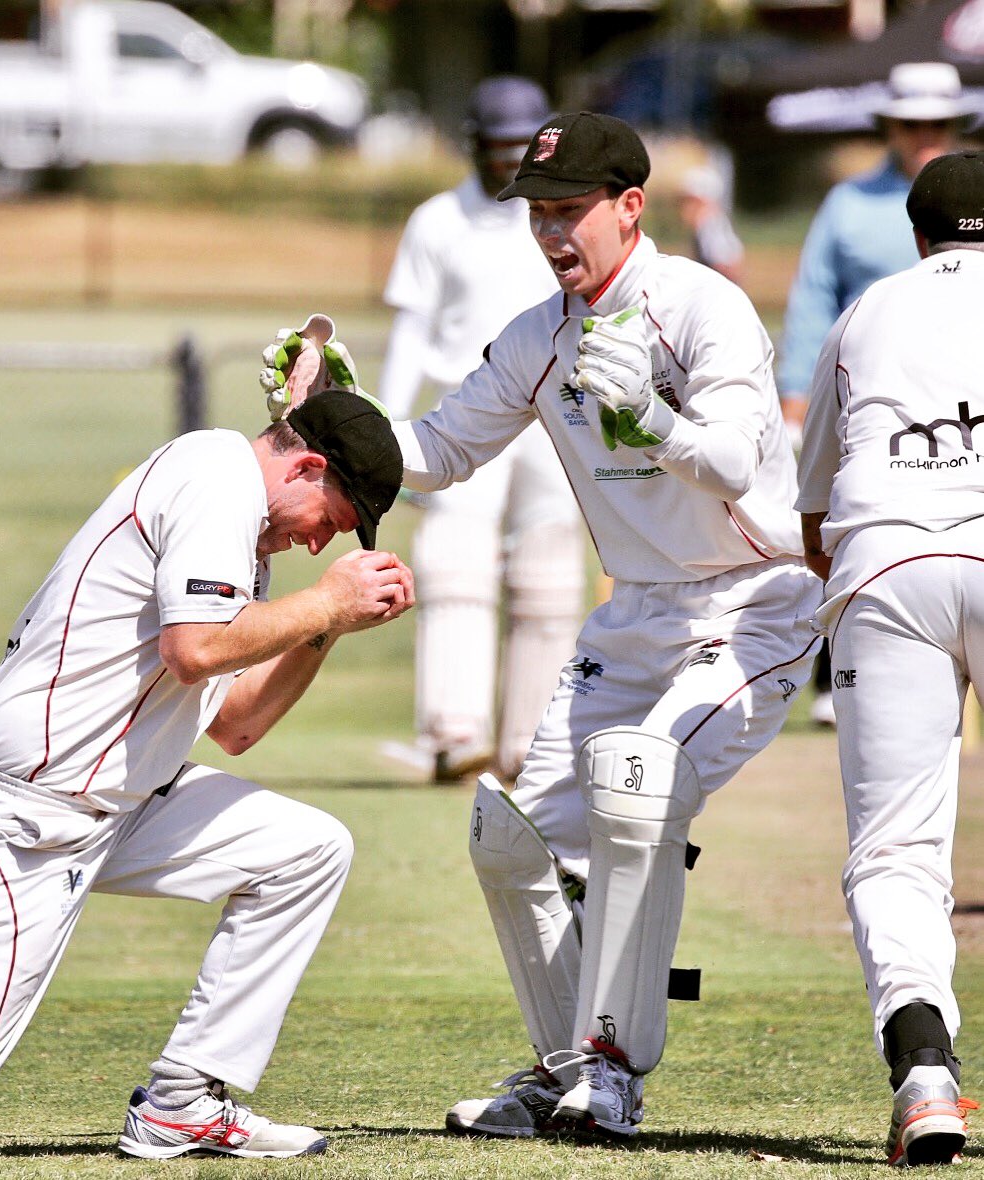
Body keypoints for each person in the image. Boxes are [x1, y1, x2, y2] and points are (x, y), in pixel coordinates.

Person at [265, 112, 821, 1141]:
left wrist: (654, 423)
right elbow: (433, 449)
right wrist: (326, 410)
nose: (552, 233)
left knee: (637, 788)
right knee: (507, 837)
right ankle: (563, 1062)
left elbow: (741, 462)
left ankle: (610, 1073)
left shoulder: (703, 308)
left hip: (753, 606)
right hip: (638, 611)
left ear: (628, 207)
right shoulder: (541, 336)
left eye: (570, 211)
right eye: (537, 214)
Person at [0, 391, 413, 1165]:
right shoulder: (214, 478)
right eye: (335, 514)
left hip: (119, 802)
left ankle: (183, 1106)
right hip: (26, 809)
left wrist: (328, 624)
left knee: (307, 849)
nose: (325, 542)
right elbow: (193, 648)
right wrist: (324, 599)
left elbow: (238, 725)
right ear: (307, 465)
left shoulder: (244, 539)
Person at [795, 150, 984, 1167]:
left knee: (895, 848)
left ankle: (923, 1074)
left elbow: (815, 508)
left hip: (885, 565)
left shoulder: (867, 311)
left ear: (916, 236)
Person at [378, 75, 585, 783]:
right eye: (495, 147)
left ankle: (534, 742)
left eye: (517, 148)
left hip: (558, 412)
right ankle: (454, 733)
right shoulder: (438, 220)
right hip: (464, 412)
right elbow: (412, 329)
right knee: (455, 567)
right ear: (473, 144)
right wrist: (385, 423)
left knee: (550, 574)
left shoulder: (562, 216)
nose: (505, 161)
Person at [777, 61, 975, 726]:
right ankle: (841, 671)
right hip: (873, 397)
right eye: (910, 123)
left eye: (934, 123)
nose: (922, 133)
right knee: (857, 524)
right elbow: (813, 304)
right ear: (889, 125)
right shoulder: (850, 204)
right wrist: (796, 398)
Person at [675, 162, 745, 287]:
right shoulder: (710, 224)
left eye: (687, 201)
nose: (682, 208)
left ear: (699, 200)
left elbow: (726, 267)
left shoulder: (710, 226)